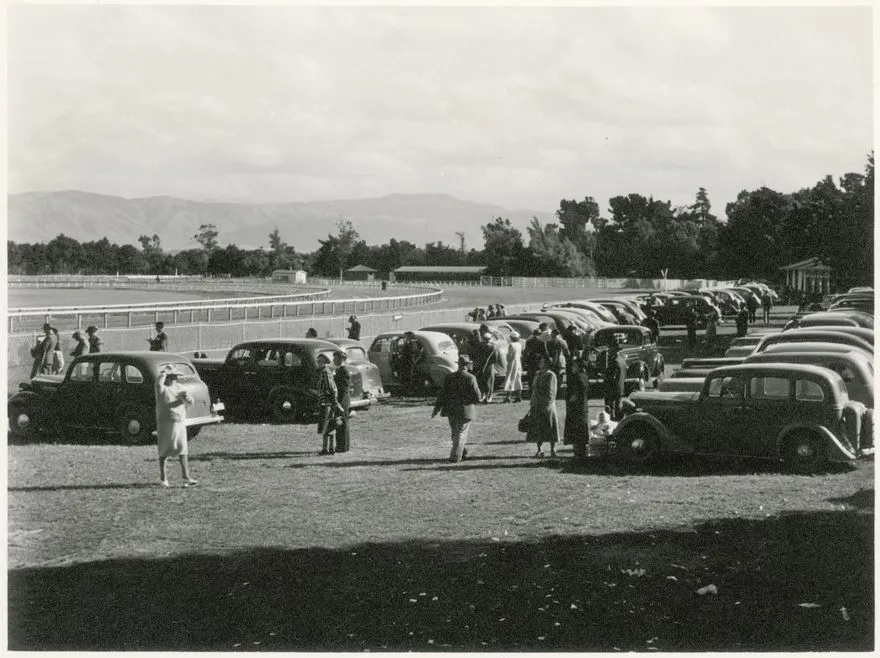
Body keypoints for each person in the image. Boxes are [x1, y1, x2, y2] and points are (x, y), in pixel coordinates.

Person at [431, 354, 481, 463]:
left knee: (455, 433)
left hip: (451, 410)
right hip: (465, 410)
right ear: (468, 365)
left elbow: (442, 394)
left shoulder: (449, 377)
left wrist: (436, 409)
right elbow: (477, 396)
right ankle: (455, 456)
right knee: (460, 433)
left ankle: (461, 451)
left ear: (459, 365)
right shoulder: (471, 378)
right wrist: (472, 402)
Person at [155, 366, 197, 487]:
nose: (175, 379)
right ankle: (163, 478)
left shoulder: (180, 388)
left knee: (182, 449)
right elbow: (158, 383)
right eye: (172, 377)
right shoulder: (161, 389)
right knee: (164, 450)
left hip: (179, 421)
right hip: (165, 422)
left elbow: (191, 401)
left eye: (175, 377)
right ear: (167, 378)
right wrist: (164, 372)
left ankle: (186, 476)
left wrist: (187, 398)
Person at [527, 355, 560, 458]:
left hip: (547, 406)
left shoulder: (551, 375)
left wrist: (547, 405)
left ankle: (553, 449)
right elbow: (533, 388)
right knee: (538, 428)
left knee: (550, 427)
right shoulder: (537, 374)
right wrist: (532, 402)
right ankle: (539, 449)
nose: (540, 363)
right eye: (540, 361)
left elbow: (552, 392)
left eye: (542, 362)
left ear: (547, 364)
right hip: (536, 404)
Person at [314, 353, 343, 455]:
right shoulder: (328, 371)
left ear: (324, 362)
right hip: (329, 402)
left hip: (326, 402)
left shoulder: (325, 371)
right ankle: (330, 448)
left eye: (320, 361)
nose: (318, 362)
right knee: (330, 425)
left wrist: (333, 401)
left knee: (326, 425)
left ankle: (326, 449)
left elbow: (330, 387)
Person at [563, 358, 590, 455]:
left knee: (576, 431)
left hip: (576, 408)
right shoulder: (584, 376)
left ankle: (578, 451)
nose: (572, 368)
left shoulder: (577, 377)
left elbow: (576, 394)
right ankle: (581, 451)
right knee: (581, 431)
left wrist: (570, 398)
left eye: (574, 366)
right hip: (582, 407)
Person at [333, 350, 352, 453]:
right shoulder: (340, 370)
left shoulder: (343, 371)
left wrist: (338, 403)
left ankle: (342, 446)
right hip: (342, 401)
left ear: (341, 359)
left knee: (341, 423)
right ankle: (343, 446)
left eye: (335, 358)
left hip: (342, 401)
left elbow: (344, 389)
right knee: (342, 423)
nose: (334, 360)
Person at [604, 341, 627, 420]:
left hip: (613, 388)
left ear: (614, 349)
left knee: (612, 409)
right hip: (620, 387)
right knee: (618, 407)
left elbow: (612, 377)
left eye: (610, 348)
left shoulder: (615, 361)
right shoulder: (622, 360)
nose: (608, 350)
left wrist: (605, 377)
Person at [473, 332, 498, 403]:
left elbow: (476, 356)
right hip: (489, 366)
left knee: (482, 380)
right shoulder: (493, 347)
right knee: (489, 381)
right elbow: (495, 359)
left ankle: (483, 395)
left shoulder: (479, 346)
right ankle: (488, 396)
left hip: (481, 365)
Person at [502, 331, 523, 403]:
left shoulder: (511, 345)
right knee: (517, 379)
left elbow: (510, 356)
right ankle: (518, 396)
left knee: (510, 378)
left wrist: (507, 359)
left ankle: (508, 397)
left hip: (512, 363)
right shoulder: (519, 344)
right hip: (518, 362)